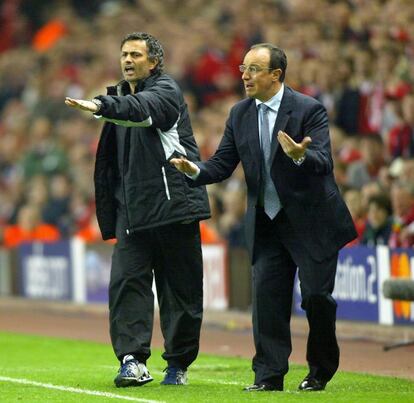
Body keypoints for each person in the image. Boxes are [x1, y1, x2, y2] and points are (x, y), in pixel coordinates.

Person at [171, 43, 357, 392]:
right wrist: (195, 169)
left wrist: (300, 155)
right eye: (244, 68)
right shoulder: (239, 113)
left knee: (316, 297)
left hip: (310, 220)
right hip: (266, 221)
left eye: (254, 69)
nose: (245, 75)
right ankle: (268, 377)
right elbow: (223, 164)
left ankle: (319, 371)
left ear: (276, 75)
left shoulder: (308, 109)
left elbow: (324, 161)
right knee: (268, 301)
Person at [65, 32, 210, 387]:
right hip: (132, 210)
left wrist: (101, 106)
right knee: (126, 285)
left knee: (181, 292)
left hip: (174, 208)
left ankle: (178, 364)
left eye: (135, 54)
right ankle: (132, 361)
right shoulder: (119, 97)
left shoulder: (165, 93)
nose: (127, 60)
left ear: (153, 62)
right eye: (124, 54)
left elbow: (142, 111)